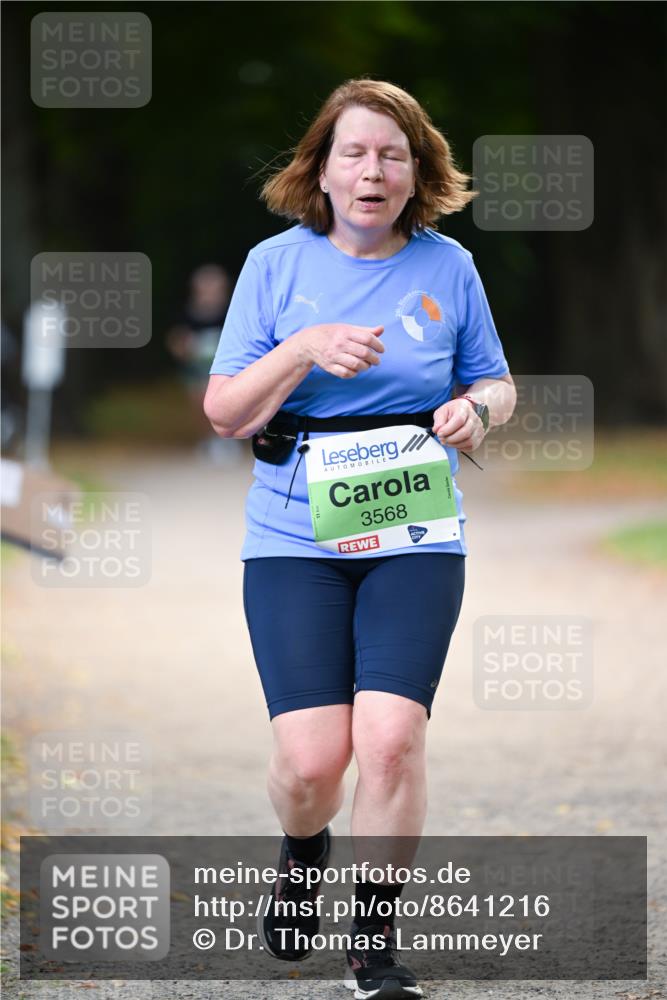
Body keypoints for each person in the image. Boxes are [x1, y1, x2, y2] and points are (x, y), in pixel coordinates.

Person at [204, 78, 516, 1000]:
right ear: (323, 169)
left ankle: (372, 948)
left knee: (388, 740)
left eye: (392, 153)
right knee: (311, 764)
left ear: (416, 171)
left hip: (412, 528)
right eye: (354, 152)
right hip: (292, 535)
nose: (372, 170)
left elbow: (496, 382)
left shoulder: (448, 266)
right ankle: (304, 851)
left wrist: (472, 410)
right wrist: (304, 349)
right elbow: (224, 412)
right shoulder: (274, 265)